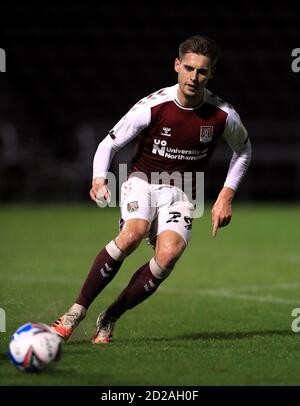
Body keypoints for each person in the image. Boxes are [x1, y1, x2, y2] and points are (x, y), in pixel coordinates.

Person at [51, 35, 252, 344]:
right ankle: (74, 313)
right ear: (176, 66)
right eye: (188, 68)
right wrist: (99, 178)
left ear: (211, 74)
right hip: (142, 181)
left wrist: (225, 197)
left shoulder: (223, 115)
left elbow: (244, 150)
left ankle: (111, 315)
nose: (193, 77)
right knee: (131, 234)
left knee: (169, 255)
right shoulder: (154, 106)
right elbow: (111, 142)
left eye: (202, 71)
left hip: (184, 190)